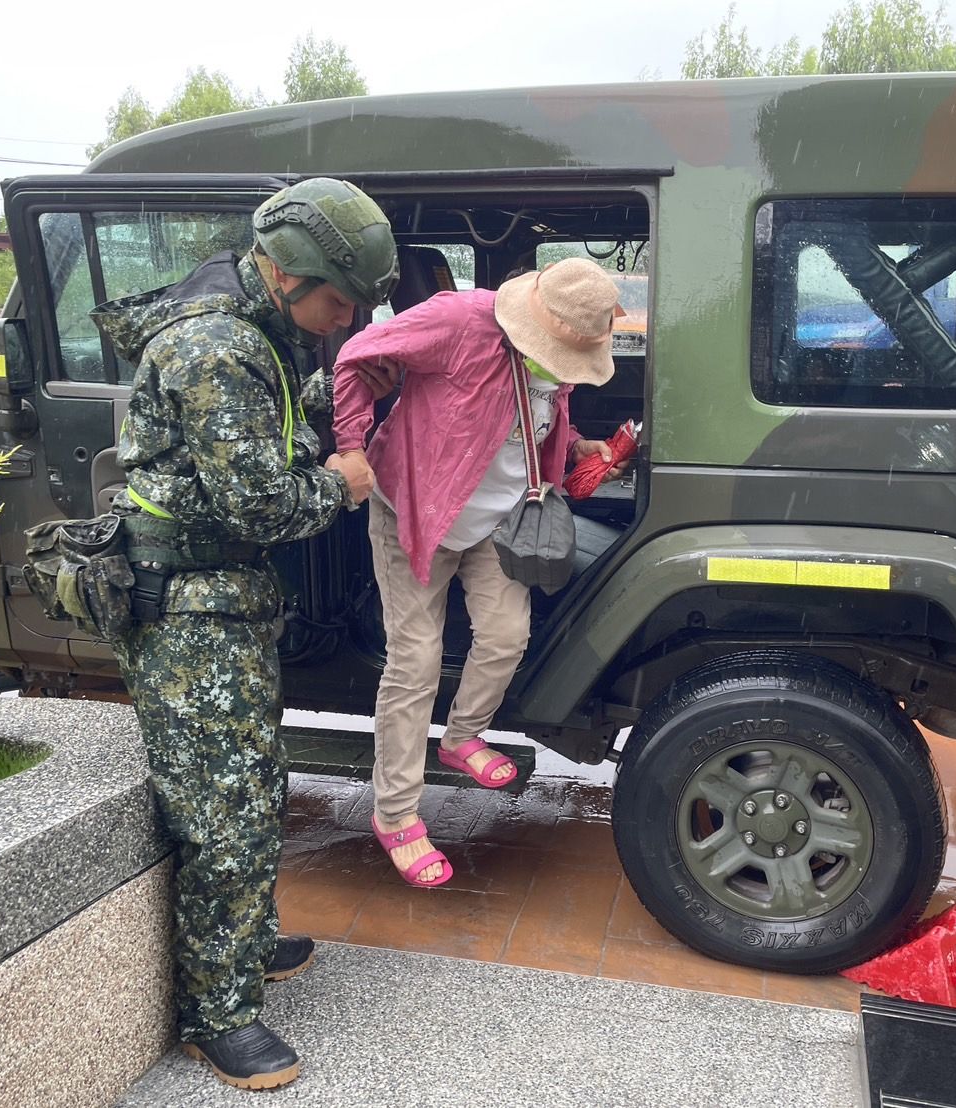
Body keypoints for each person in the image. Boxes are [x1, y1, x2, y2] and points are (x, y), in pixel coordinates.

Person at [90, 178, 398, 1091]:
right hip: (186, 614)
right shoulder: (217, 347)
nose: (343, 318)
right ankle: (215, 1016)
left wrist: (328, 399)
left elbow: (263, 445)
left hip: (220, 608)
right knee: (222, 818)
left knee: (258, 786)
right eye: (337, 300)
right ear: (284, 271)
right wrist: (347, 482)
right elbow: (261, 501)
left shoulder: (259, 332)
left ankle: (248, 940)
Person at [332, 257, 627, 887]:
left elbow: (539, 412)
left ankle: (462, 736)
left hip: (497, 520)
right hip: (418, 509)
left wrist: (573, 448)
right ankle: (396, 814)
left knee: (505, 636)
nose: (565, 370)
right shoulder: (456, 321)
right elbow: (355, 356)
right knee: (414, 663)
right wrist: (353, 448)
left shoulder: (561, 344)